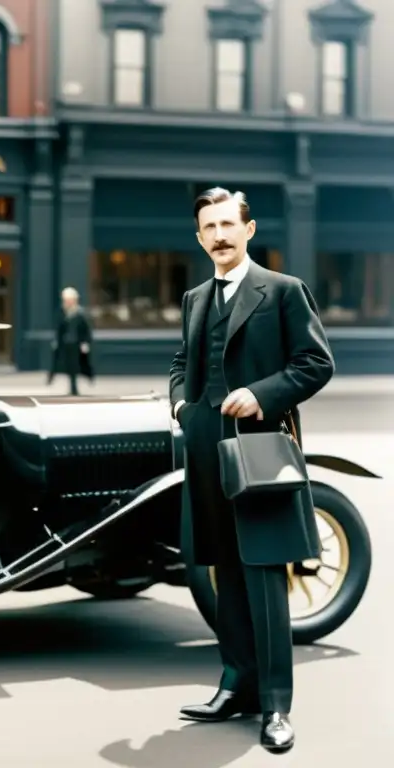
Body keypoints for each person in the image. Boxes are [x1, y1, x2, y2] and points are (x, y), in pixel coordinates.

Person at [169, 188, 334, 754]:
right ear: (198, 237)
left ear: (249, 229)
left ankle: (275, 705)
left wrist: (260, 395)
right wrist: (179, 405)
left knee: (264, 578)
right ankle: (234, 685)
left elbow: (316, 363)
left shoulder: (283, 291)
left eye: (227, 225)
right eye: (208, 227)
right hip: (206, 451)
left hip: (260, 451)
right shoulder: (194, 297)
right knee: (226, 577)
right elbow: (178, 363)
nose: (218, 235)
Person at [47, 287, 94, 394]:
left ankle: (74, 388)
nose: (68, 302)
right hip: (64, 343)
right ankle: (53, 378)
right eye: (66, 300)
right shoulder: (62, 313)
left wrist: (85, 342)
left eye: (70, 300)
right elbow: (59, 329)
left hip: (76, 343)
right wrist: (56, 341)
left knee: (75, 366)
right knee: (64, 365)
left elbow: (86, 330)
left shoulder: (80, 313)